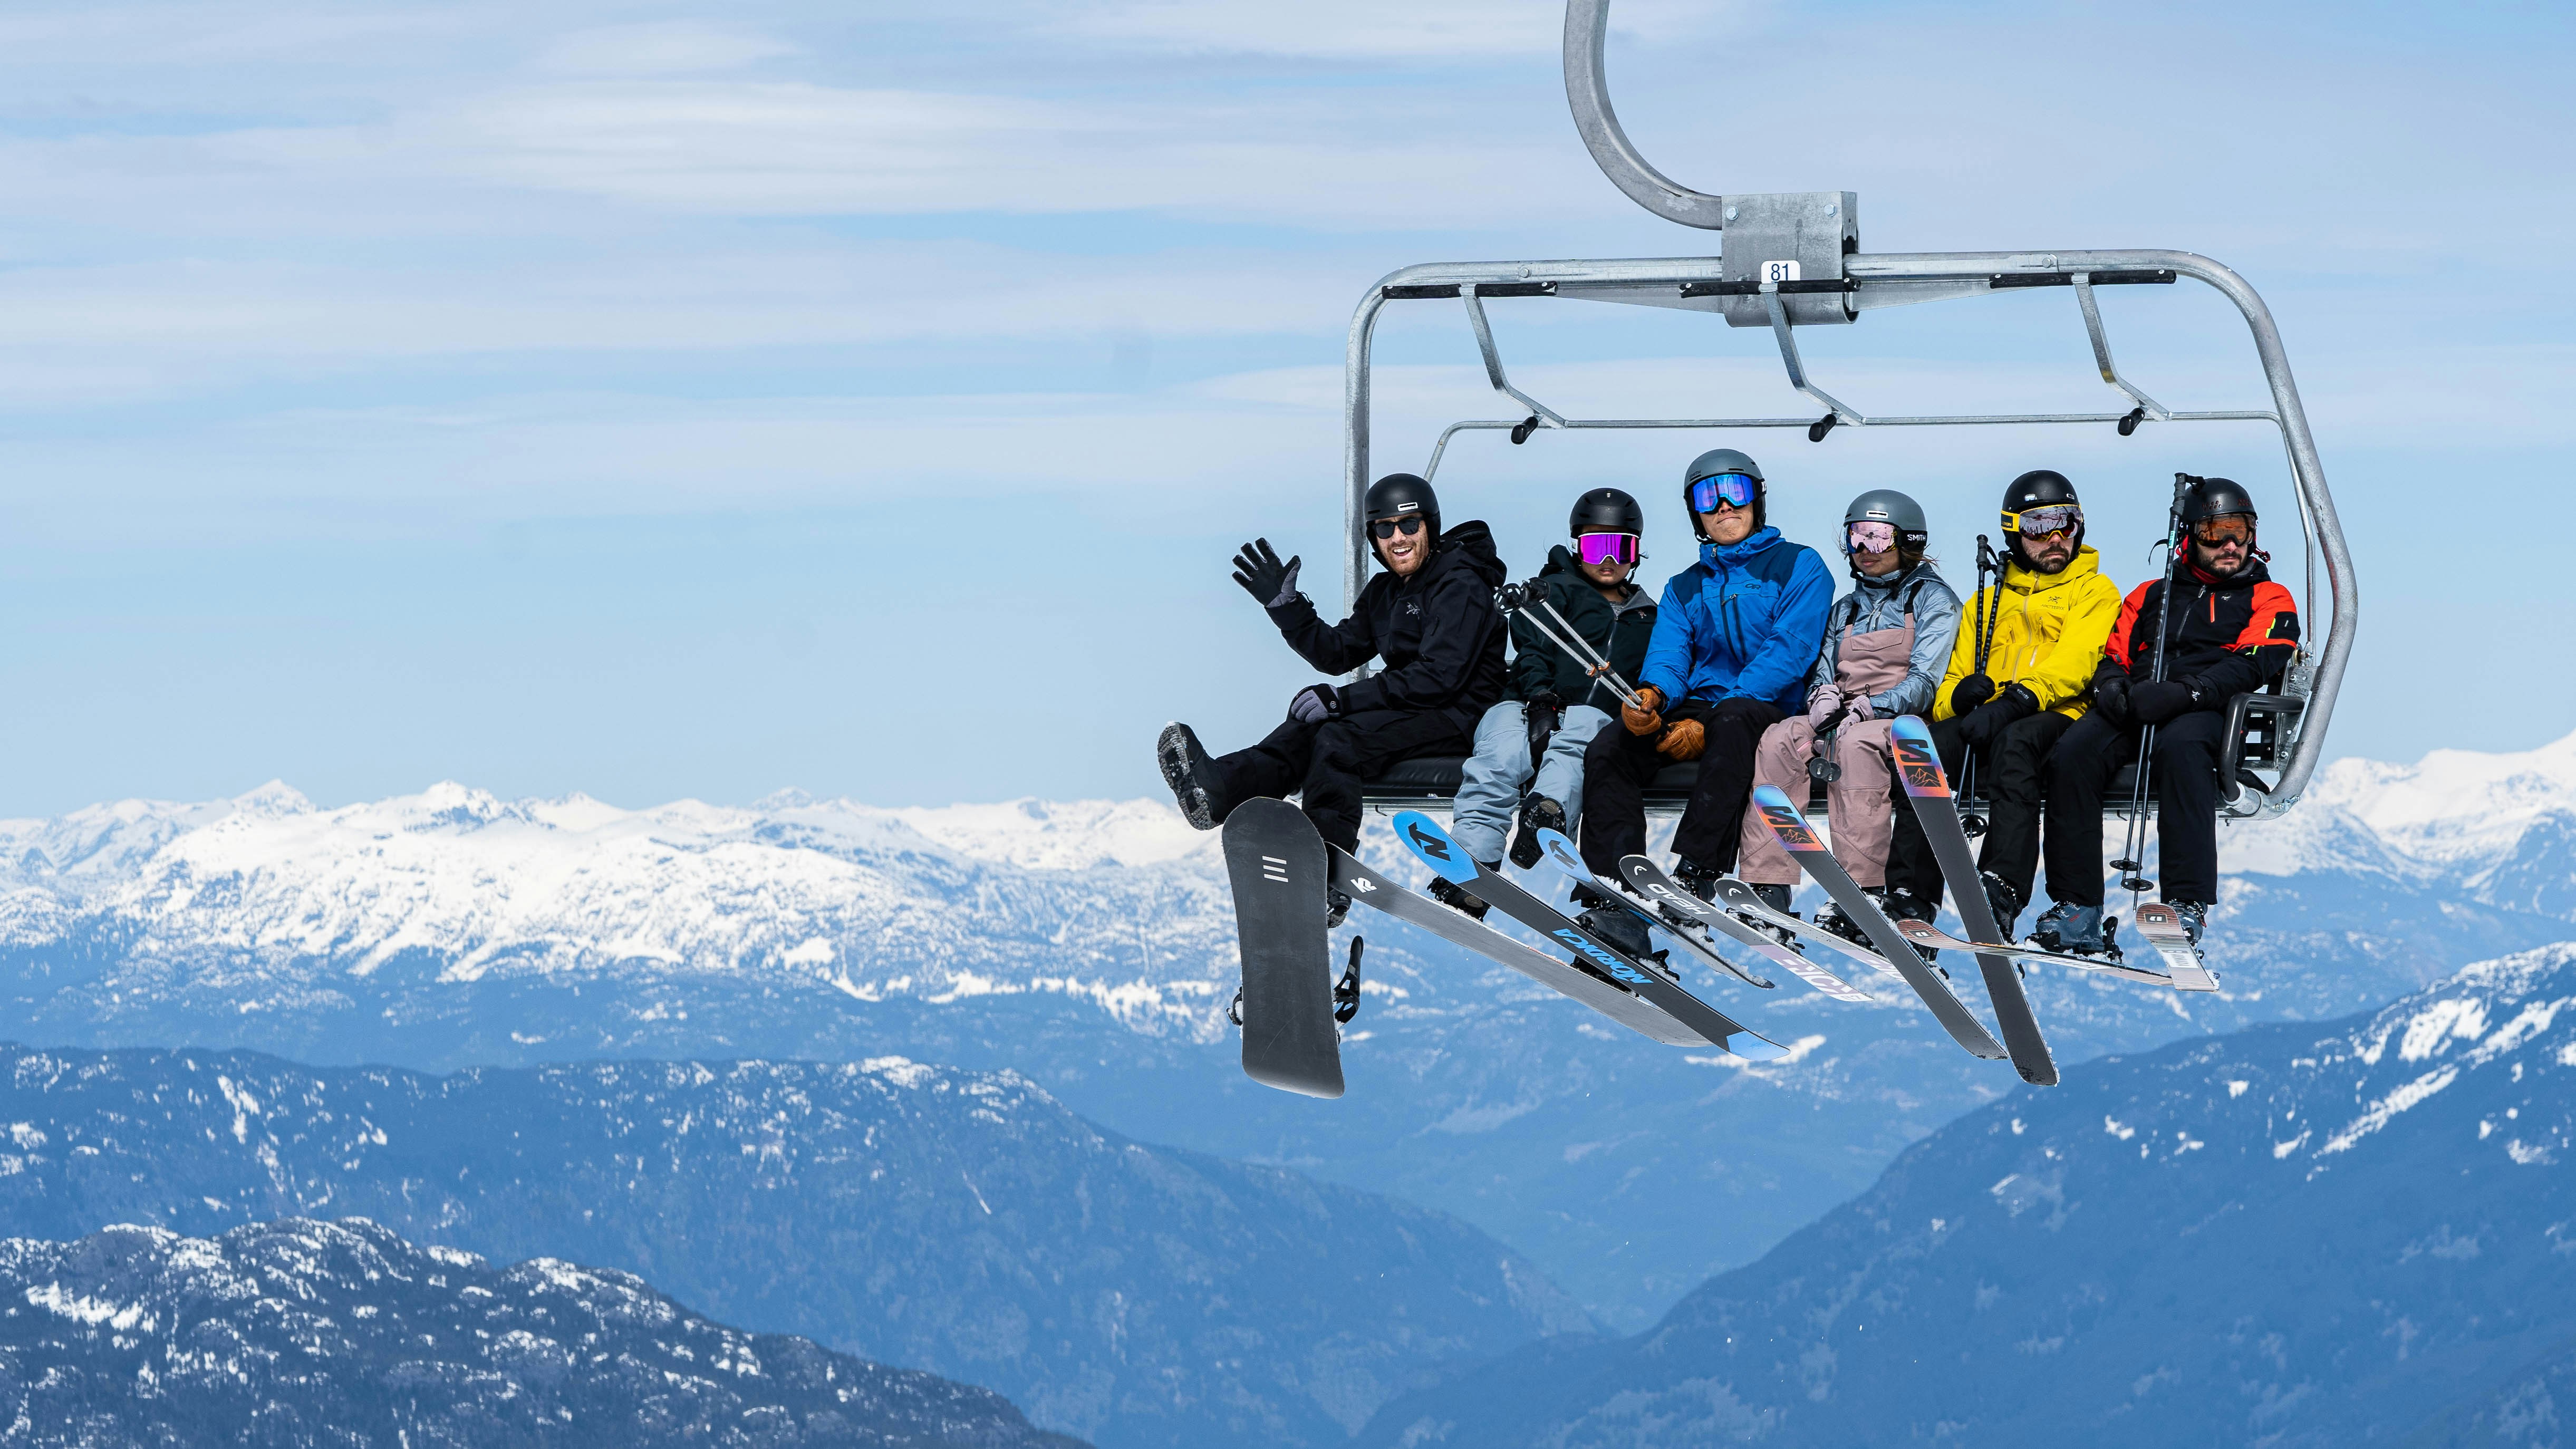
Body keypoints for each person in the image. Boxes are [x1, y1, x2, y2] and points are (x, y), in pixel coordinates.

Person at [1157, 472, 1508, 923]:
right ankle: (1222, 789)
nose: (1397, 538)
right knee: (1310, 725)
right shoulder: (1386, 591)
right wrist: (1285, 609)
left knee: (1338, 739)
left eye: (1408, 526)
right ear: (1372, 537)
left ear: (1430, 527)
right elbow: (1338, 652)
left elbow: (1440, 676)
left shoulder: (1460, 585)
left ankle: (1325, 875)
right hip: (1411, 707)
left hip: (1459, 714)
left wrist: (1342, 701)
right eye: (1384, 529)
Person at [1575, 448, 1831, 955]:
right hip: (1703, 704)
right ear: (1695, 512)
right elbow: (1670, 654)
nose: (1722, 508)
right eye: (1705, 499)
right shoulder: (1684, 586)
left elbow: (1788, 652)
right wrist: (1650, 698)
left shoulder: (1799, 566)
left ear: (1756, 499)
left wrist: (1709, 720)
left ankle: (1696, 875)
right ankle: (1616, 895)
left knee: (1733, 720)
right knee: (1611, 746)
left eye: (1734, 493)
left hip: (1769, 706)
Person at [2034, 476, 2300, 952]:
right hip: (2138, 703)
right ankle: (2077, 906)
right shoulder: (2150, 594)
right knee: (2072, 754)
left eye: (2241, 531)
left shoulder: (2268, 597)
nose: (2231, 545)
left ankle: (2186, 902)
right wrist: (2113, 689)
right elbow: (2113, 653)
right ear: (2190, 538)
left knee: (2183, 751)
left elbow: (2256, 658)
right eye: (2215, 533)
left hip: (2205, 710)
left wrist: (2188, 693)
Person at [1883, 470, 2122, 939]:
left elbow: (2075, 662)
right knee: (1922, 751)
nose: (2055, 538)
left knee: (2016, 744)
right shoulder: (1985, 603)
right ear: (2014, 532)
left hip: (2057, 711)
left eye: (2066, 524)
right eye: (2038, 527)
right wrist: (1959, 698)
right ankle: (1911, 894)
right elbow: (1950, 680)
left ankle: (2003, 883)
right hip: (1990, 712)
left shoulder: (2094, 591)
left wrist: (2017, 699)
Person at [1734, 489, 1960, 944]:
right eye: (1856, 537)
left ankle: (1865, 886)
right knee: (1780, 737)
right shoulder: (1847, 608)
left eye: (1877, 539)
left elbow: (1925, 678)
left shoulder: (1933, 600)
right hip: (1842, 713)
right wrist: (1823, 698)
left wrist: (1871, 707)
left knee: (1856, 747)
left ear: (1907, 541)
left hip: (1898, 719)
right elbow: (1823, 665)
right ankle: (1768, 882)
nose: (1863, 550)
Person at [1436, 488, 1657, 920]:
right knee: (1498, 755)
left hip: (1589, 714)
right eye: (1596, 546)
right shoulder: (1553, 592)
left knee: (1581, 742)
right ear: (1578, 545)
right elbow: (1532, 646)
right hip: (1524, 701)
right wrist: (1539, 696)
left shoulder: (1649, 618)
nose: (1608, 559)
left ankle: (1547, 812)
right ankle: (1471, 868)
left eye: (1621, 547)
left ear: (1636, 552)